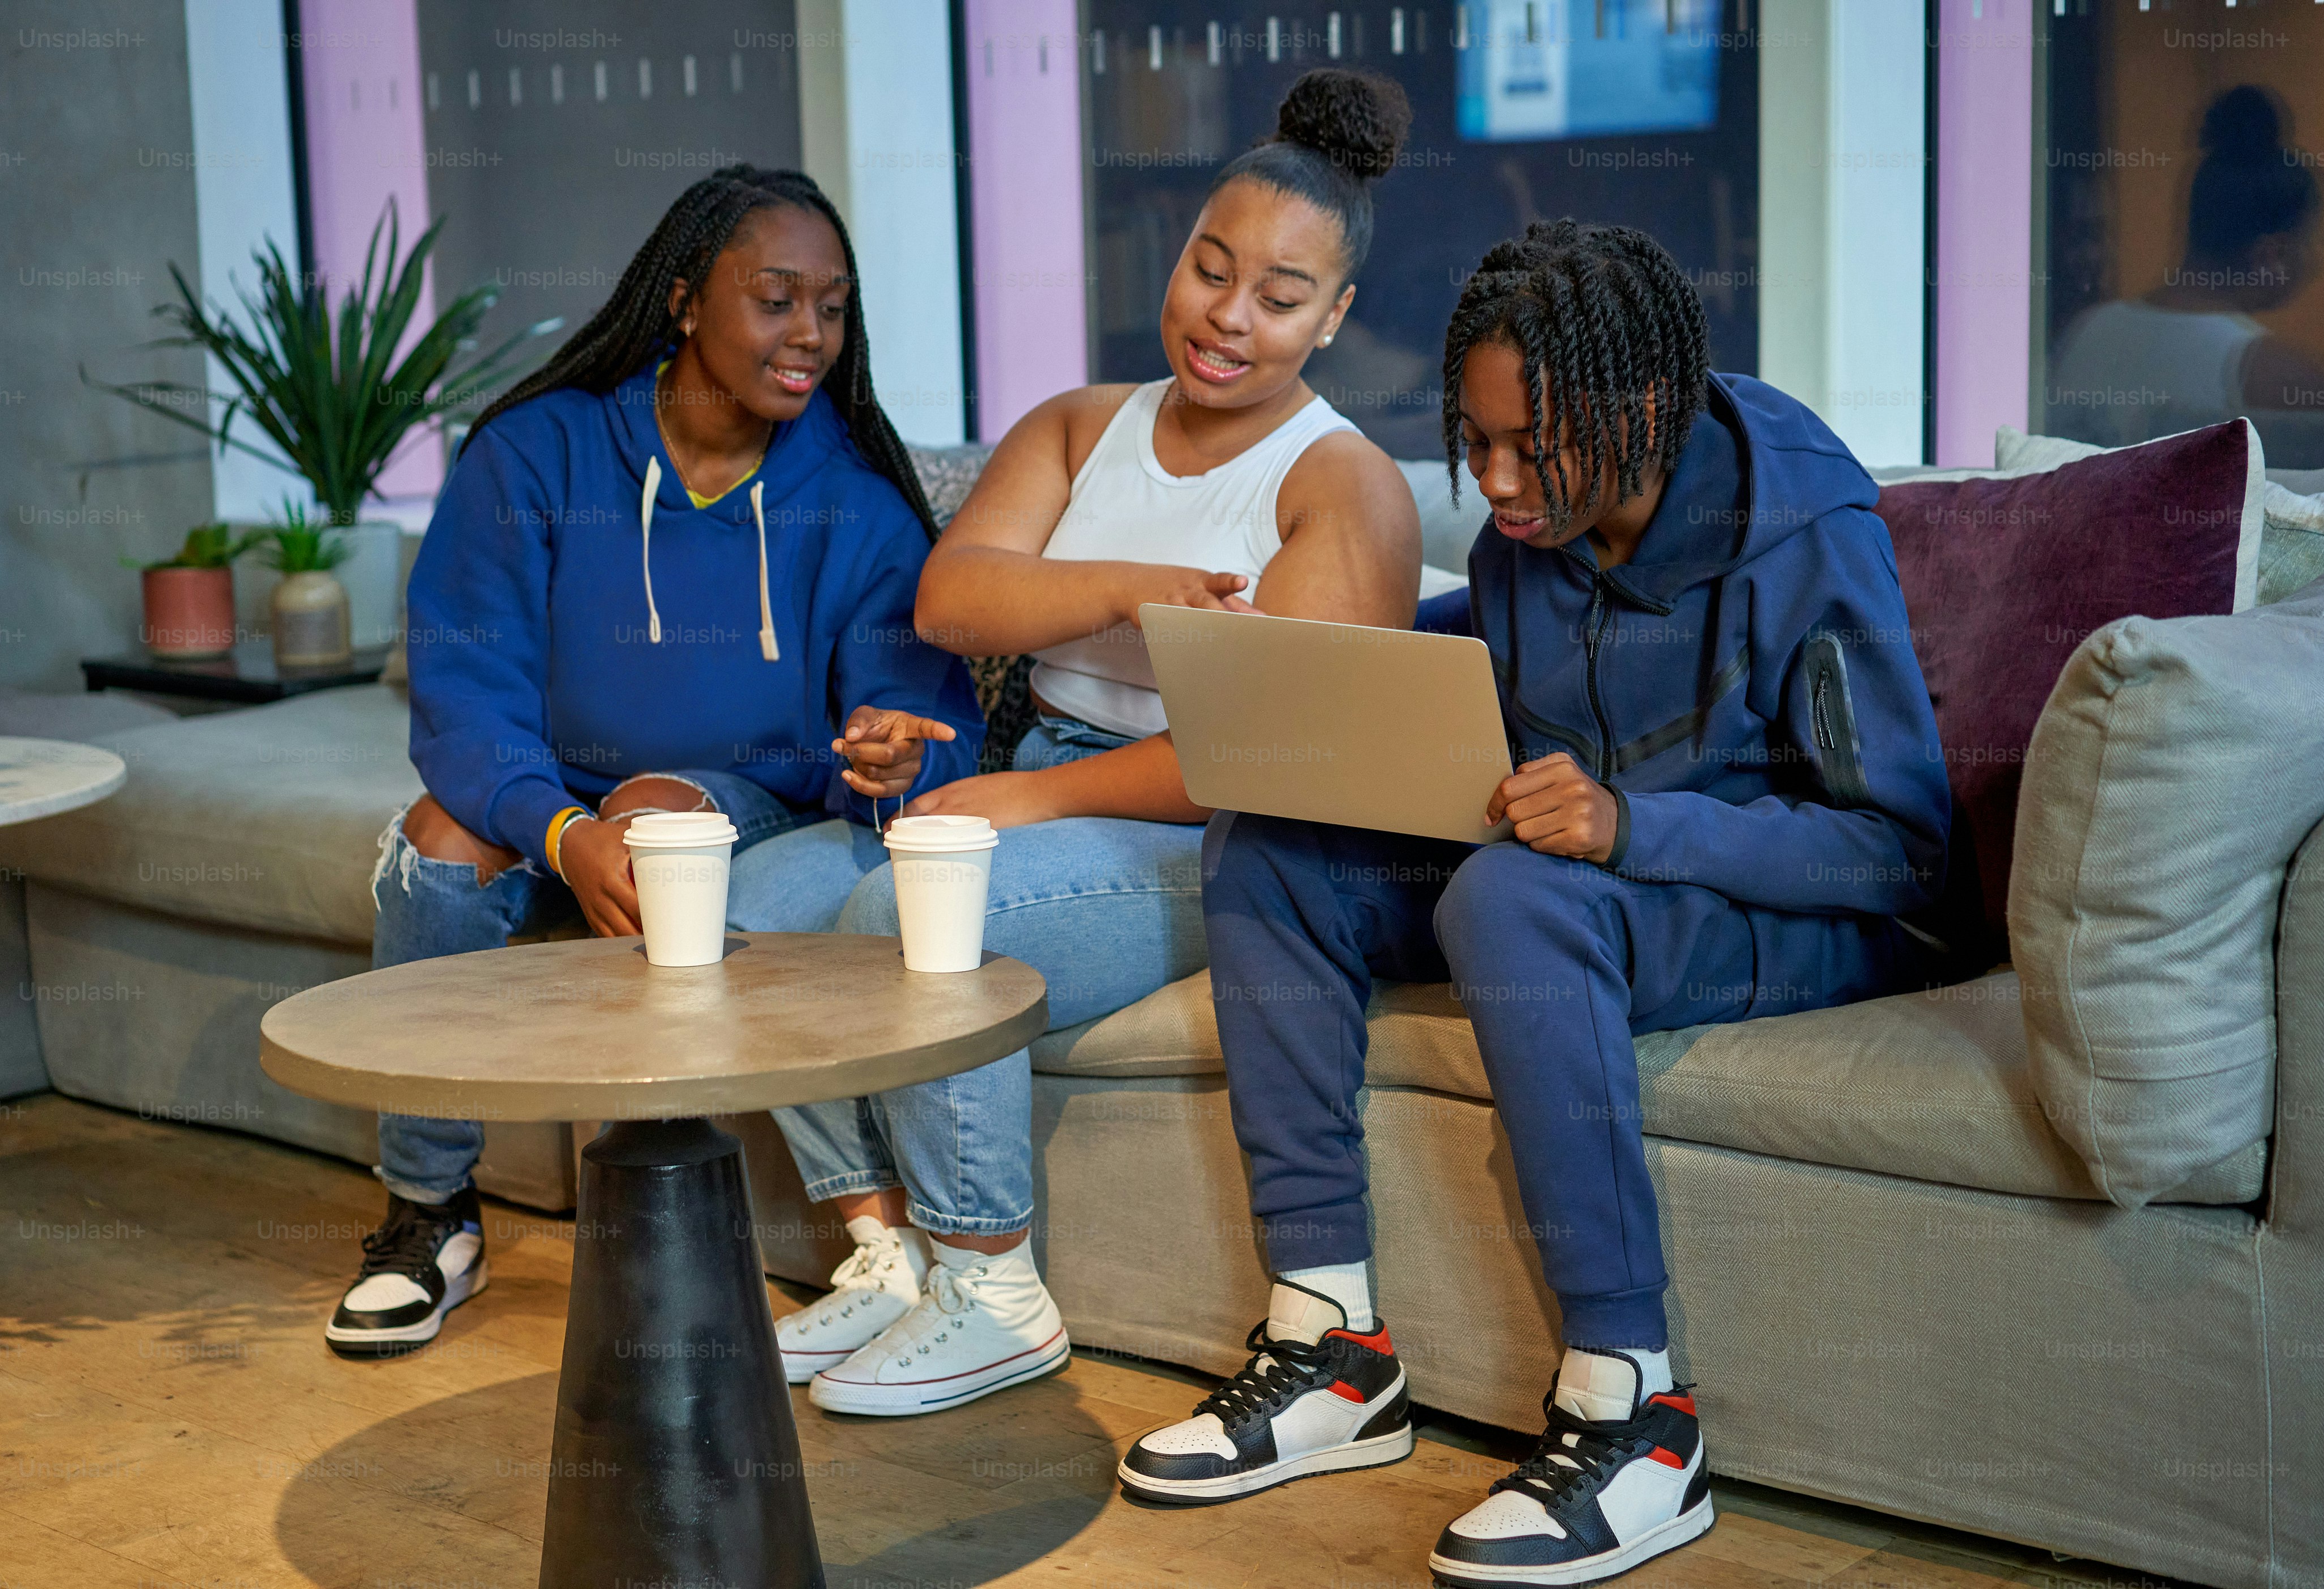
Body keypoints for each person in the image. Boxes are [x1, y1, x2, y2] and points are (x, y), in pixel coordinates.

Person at [1118, 221, 1952, 1586]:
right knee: (1266, 842)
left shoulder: (1806, 530)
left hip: (1798, 908)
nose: (1495, 486)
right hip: (1584, 881)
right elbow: (1510, 695)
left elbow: (1897, 850)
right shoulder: (1531, 530)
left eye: (1529, 448)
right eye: (1475, 439)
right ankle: (1334, 1345)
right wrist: (1327, 687)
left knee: (1514, 900)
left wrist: (1633, 826)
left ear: (1639, 411)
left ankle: (1639, 1413)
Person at [753, 69, 1425, 1418]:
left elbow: (1260, 761)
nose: (1227, 317)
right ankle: (885, 1252)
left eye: (1279, 296)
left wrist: (1027, 800)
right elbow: (957, 593)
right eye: (1209, 268)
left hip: (1215, 831)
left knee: (914, 902)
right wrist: (1132, 587)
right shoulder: (1080, 423)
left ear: (1336, 315)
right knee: (750, 911)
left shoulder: (1339, 487)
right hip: (1046, 782)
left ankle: (993, 1286)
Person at [327, 166, 982, 1358]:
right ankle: (427, 1213)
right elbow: (466, 691)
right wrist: (555, 830)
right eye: (776, 300)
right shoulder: (539, 454)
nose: (811, 338)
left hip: (737, 800)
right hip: (556, 787)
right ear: (686, 301)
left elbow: (905, 706)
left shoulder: (856, 501)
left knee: (650, 815)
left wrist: (883, 753)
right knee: (435, 848)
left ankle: (660, 1214)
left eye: (832, 307)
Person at [2052, 85, 2324, 446]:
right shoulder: (2278, 377)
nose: (2315, 265)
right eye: (2312, 241)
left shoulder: (2085, 331)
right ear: (2273, 253)